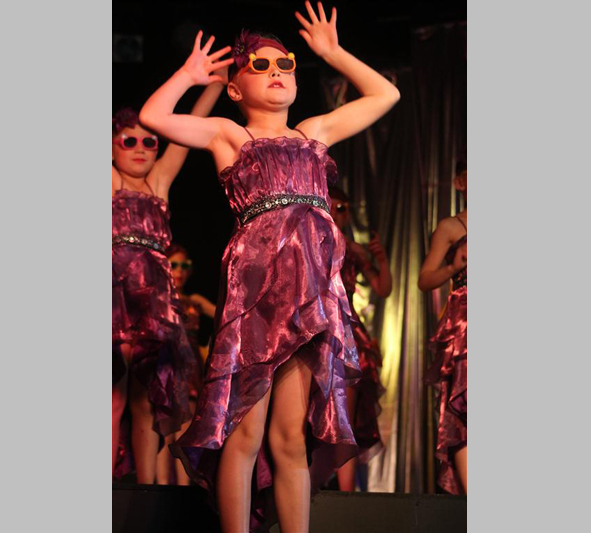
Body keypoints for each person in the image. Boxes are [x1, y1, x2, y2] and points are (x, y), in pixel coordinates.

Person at [140, 3, 400, 530]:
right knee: (246, 430)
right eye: (259, 65)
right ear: (235, 89)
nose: (276, 71)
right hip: (256, 295)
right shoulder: (229, 135)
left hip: (309, 297)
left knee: (289, 438)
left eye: (285, 64)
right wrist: (189, 75)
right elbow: (154, 118)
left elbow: (385, 95)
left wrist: (334, 53)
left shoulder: (314, 132)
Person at [112, 74, 226, 484]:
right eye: (128, 140)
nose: (141, 148)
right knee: (112, 397)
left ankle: (144, 493)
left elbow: (187, 131)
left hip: (154, 306)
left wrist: (215, 84)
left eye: (149, 141)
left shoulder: (158, 183)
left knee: (146, 400)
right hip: (114, 300)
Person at [328, 186, 391, 492]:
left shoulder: (353, 250)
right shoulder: (313, 240)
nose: (339, 213)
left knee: (344, 416)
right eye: (334, 207)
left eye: (344, 209)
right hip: (318, 326)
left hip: (346, 331)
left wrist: (382, 260)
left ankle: (345, 493)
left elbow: (383, 288)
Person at [417, 157, 467, 494]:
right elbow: (425, 279)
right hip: (467, 324)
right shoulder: (451, 227)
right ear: (460, 182)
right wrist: (454, 267)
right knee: (465, 404)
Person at [158, 244, 217, 485]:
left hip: (190, 366)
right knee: (162, 426)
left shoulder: (194, 300)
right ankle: (158, 487)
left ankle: (183, 486)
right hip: (165, 362)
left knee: (184, 426)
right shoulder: (159, 298)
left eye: (184, 265)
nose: (180, 271)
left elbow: (225, 314)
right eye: (174, 265)